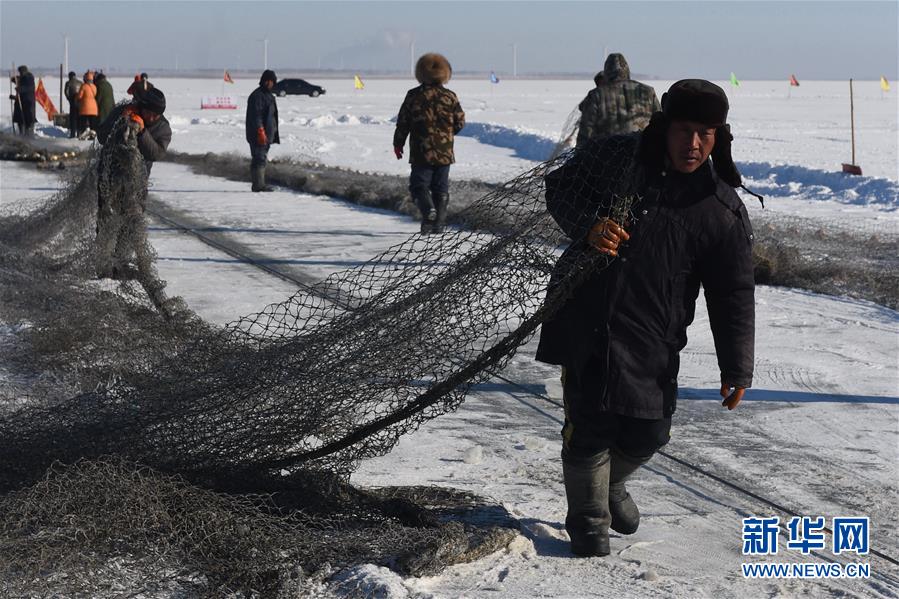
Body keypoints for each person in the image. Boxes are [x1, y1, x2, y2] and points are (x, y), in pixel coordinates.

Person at [536, 79, 755, 557]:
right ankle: (589, 521)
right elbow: (562, 188)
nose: (693, 144)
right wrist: (589, 225)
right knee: (589, 428)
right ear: (663, 128)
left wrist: (737, 367)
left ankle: (610, 488)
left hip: (653, 337)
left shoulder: (720, 211)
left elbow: (732, 294)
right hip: (586, 319)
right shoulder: (617, 158)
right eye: (683, 130)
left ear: (720, 136)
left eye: (706, 133)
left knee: (649, 431)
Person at [393, 52, 465, 234]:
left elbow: (403, 122)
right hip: (445, 151)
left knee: (419, 186)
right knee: (440, 187)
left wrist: (398, 143)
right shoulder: (450, 96)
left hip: (420, 150)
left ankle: (428, 212)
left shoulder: (413, 95)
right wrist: (447, 136)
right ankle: (438, 224)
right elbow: (460, 122)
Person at [575, 53, 660, 148]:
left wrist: (580, 156)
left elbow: (585, 133)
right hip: (641, 153)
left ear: (606, 72)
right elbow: (660, 124)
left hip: (606, 157)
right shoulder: (648, 92)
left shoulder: (596, 95)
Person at [97, 87, 171, 176]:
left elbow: (156, 154)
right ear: (141, 107)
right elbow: (101, 137)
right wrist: (121, 120)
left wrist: (142, 132)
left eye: (155, 115)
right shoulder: (123, 110)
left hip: (138, 178)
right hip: (109, 172)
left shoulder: (163, 128)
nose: (151, 118)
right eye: (147, 112)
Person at [245, 69, 280, 192]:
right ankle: (259, 185)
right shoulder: (258, 96)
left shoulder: (268, 95)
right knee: (259, 158)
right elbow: (257, 116)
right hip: (258, 135)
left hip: (266, 134)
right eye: (272, 81)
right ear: (267, 81)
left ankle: (258, 184)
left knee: (260, 158)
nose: (273, 84)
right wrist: (261, 131)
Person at [9, 65, 36, 137]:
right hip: (21, 106)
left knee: (28, 122)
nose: (19, 73)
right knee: (20, 122)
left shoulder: (29, 77)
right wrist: (14, 97)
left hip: (28, 105)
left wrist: (20, 89)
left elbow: (29, 87)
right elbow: (17, 80)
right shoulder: (22, 78)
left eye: (20, 72)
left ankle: (29, 137)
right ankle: (22, 136)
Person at [76, 71, 98, 135]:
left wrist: (76, 98)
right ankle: (93, 134)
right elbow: (95, 94)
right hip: (94, 107)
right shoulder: (94, 86)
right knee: (92, 123)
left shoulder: (84, 86)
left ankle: (82, 133)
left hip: (85, 107)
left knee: (83, 122)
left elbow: (80, 96)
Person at [64, 71, 82, 138]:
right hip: (80, 103)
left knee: (73, 119)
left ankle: (72, 134)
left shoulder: (68, 83)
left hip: (73, 102)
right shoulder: (80, 83)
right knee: (79, 119)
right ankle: (79, 133)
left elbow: (66, 92)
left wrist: (69, 99)